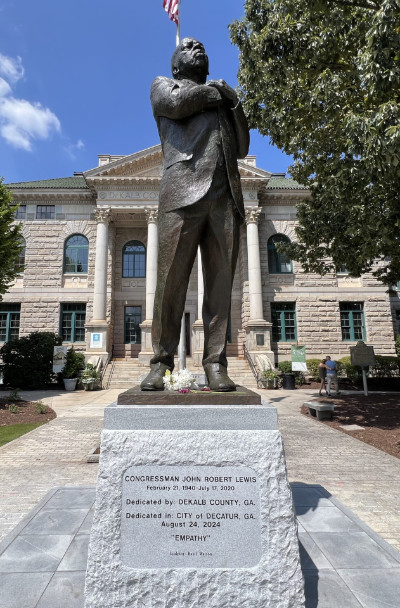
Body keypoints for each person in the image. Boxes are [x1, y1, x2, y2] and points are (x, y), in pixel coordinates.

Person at [140, 38, 250, 392]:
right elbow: (173, 104)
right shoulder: (163, 84)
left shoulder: (222, 99)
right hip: (180, 193)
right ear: (176, 65)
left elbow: (243, 145)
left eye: (202, 47)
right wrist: (214, 93)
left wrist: (234, 102)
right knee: (170, 282)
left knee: (220, 286)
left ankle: (216, 363)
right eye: (188, 47)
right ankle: (160, 363)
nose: (198, 49)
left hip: (224, 196)